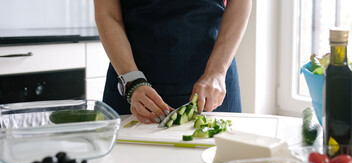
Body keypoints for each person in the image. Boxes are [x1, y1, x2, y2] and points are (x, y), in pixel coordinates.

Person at [94, 0, 252, 124]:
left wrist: (217, 72)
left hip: (213, 78)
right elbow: (107, 13)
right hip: (130, 76)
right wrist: (132, 81)